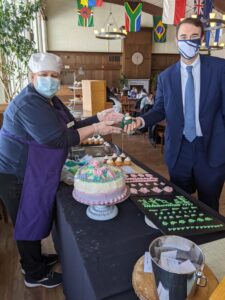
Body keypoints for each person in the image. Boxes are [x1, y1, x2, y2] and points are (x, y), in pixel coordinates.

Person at [0, 53, 123, 288]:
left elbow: (71, 126)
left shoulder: (51, 100)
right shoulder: (28, 103)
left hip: (32, 170)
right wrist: (97, 127)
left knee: (33, 216)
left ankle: (37, 259)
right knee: (26, 220)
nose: (49, 80)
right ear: (31, 77)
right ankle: (33, 273)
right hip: (15, 172)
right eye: (43, 75)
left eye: (54, 76)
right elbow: (55, 139)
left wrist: (98, 116)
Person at [125, 18, 225, 212]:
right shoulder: (166, 77)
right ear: (176, 40)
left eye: (194, 37)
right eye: (184, 37)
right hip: (179, 152)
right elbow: (160, 109)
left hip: (212, 150)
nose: (189, 41)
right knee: (179, 204)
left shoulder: (220, 69)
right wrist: (141, 120)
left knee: (210, 208)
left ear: (202, 39)